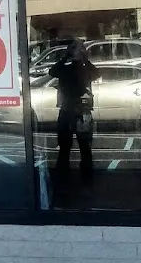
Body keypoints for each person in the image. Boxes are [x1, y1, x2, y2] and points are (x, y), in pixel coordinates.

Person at [49, 39, 98, 183]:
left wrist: (68, 56)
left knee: (68, 146)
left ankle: (65, 175)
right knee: (81, 146)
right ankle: (84, 175)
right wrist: (81, 58)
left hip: (71, 110)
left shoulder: (72, 69)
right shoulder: (80, 69)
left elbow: (53, 71)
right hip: (77, 110)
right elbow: (52, 72)